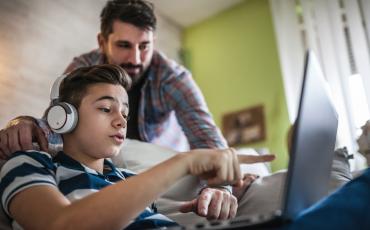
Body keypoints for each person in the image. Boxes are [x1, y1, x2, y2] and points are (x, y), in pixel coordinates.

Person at [0, 0, 241, 220]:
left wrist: (220, 187)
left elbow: (208, 139)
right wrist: (22, 124)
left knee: (238, 169)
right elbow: (58, 122)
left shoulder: (173, 78)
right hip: (121, 161)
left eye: (144, 47)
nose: (135, 58)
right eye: (124, 45)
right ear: (102, 42)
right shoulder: (82, 70)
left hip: (159, 158)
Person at [0, 64, 274, 229]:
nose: (121, 121)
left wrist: (220, 194)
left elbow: (161, 209)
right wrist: (184, 161)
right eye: (106, 108)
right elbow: (60, 225)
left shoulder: (127, 179)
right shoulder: (29, 163)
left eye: (125, 113)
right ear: (63, 117)